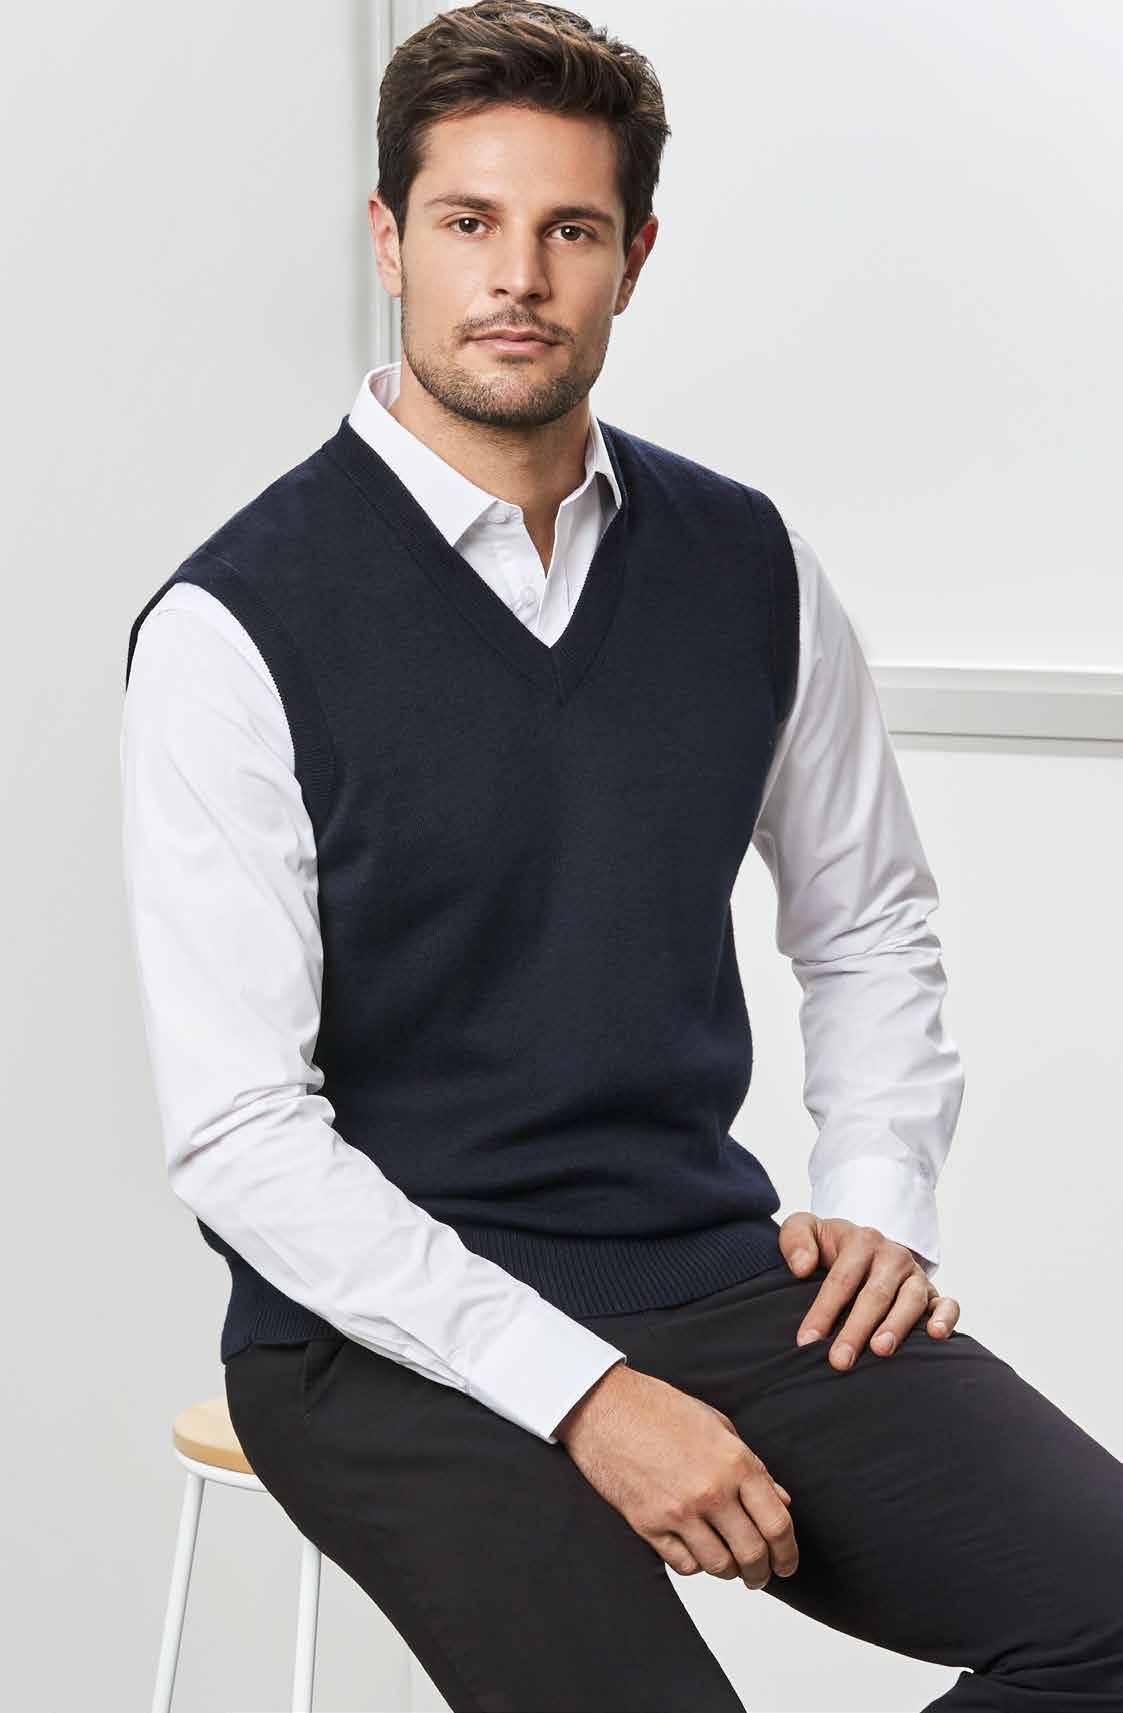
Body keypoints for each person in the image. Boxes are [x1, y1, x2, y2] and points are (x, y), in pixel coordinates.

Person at [120, 4, 1123, 1708]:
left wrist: (879, 1197)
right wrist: (585, 1392)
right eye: (469, 221)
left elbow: (867, 919)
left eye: (570, 229)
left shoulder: (747, 565)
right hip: (369, 1334)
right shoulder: (236, 626)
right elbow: (241, 1136)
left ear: (634, 258)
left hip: (704, 1265)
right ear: (389, 240)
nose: (517, 276)